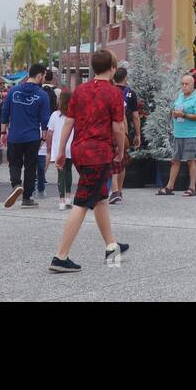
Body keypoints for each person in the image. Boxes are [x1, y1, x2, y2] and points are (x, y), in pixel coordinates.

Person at [50, 50, 127, 273]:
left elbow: (68, 123)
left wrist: (62, 150)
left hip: (79, 151)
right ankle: (60, 256)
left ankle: (112, 246)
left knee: (100, 197)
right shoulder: (114, 93)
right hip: (98, 152)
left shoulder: (79, 91)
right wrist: (120, 151)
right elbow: (118, 127)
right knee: (83, 201)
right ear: (113, 68)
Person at [1, 63, 52, 209]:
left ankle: (16, 184)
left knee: (15, 163)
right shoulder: (42, 95)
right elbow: (44, 120)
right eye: (44, 76)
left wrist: (3, 132)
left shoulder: (13, 91)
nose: (44, 79)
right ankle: (27, 197)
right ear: (39, 75)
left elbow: (5, 112)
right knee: (31, 167)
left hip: (14, 136)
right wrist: (43, 138)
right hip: (32, 137)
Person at [157, 74, 196, 197]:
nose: (184, 86)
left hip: (190, 134)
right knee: (175, 160)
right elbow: (176, 109)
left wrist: (183, 115)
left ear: (192, 85)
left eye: (186, 84)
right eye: (182, 84)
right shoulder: (180, 96)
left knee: (190, 160)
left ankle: (192, 188)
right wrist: (174, 114)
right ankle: (169, 187)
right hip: (178, 133)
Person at [108, 66, 141, 205]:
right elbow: (135, 116)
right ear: (125, 77)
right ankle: (118, 191)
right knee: (121, 161)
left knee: (114, 160)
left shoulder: (109, 91)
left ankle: (115, 191)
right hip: (123, 129)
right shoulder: (130, 93)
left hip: (108, 130)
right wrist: (137, 134)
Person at [47, 89, 73, 210]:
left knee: (60, 173)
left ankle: (61, 200)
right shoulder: (74, 115)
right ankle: (68, 197)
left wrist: (48, 147)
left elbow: (50, 133)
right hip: (71, 147)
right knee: (69, 171)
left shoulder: (55, 115)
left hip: (59, 147)